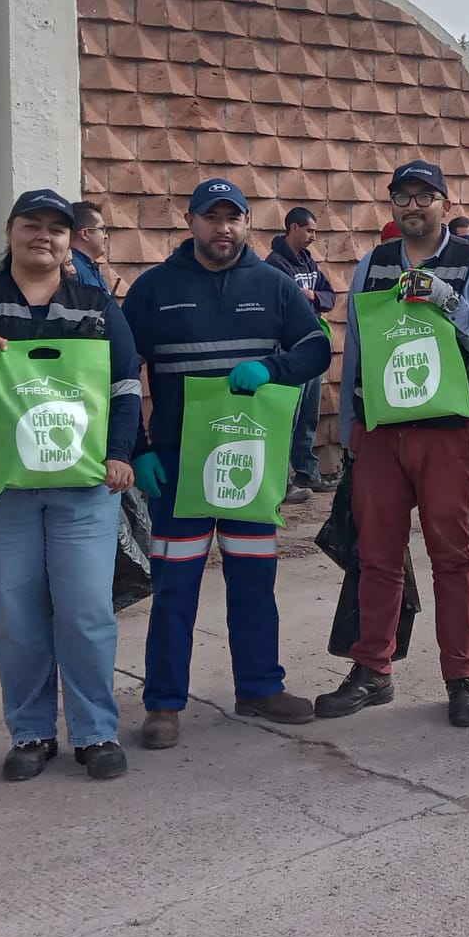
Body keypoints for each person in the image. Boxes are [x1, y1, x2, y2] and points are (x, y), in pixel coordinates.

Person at [0, 190, 142, 783]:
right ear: (10, 231)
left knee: (86, 612)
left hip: (83, 485)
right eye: (31, 225)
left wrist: (120, 454)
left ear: (71, 241)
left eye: (56, 228)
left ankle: (95, 732)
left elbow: (124, 388)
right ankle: (31, 731)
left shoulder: (96, 307)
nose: (43, 236)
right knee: (16, 614)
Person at [123, 177, 334, 750]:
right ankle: (164, 703)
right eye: (211, 217)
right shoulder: (152, 289)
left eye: (233, 217)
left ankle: (260, 687)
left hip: (249, 458)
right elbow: (119, 372)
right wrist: (137, 450)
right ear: (189, 221)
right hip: (176, 463)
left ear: (246, 222)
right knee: (175, 586)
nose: (223, 228)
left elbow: (316, 346)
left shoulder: (273, 285)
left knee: (253, 578)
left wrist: (273, 369)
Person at [316, 160, 469, 728]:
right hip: (381, 432)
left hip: (449, 431)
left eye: (427, 196)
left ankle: (461, 675)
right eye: (404, 196)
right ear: (393, 206)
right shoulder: (374, 263)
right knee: (377, 556)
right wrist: (352, 424)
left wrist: (447, 298)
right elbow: (354, 350)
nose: (414, 206)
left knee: (452, 556)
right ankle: (373, 671)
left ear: (445, 206)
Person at [265, 206, 340, 500]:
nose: (313, 237)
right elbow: (281, 304)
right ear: (293, 228)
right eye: (309, 230)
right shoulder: (274, 265)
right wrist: (305, 297)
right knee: (287, 417)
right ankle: (280, 482)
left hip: (309, 350)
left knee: (309, 415)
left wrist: (313, 296)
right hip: (287, 352)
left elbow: (329, 297)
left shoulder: (310, 263)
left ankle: (308, 473)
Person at [69, 200, 126, 298]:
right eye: (102, 229)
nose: (106, 236)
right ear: (85, 234)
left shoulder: (89, 267)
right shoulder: (72, 268)